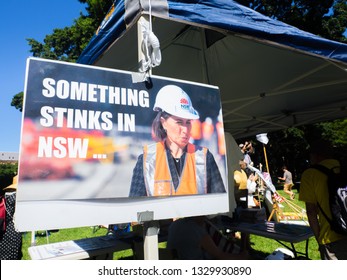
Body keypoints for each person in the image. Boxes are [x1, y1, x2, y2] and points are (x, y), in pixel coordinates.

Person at [129, 84, 226, 197]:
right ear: (163, 122)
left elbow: (220, 204)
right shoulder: (146, 161)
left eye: (188, 122)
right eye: (179, 122)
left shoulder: (205, 158)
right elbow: (134, 207)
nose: (185, 130)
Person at [299, 139, 347, 260]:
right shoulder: (343, 167)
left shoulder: (310, 174)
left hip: (331, 237)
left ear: (315, 155)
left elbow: (311, 211)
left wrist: (319, 238)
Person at [167, 216, 248, 260]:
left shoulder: (174, 225)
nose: (206, 218)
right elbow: (220, 255)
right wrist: (241, 257)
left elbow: (171, 251)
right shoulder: (198, 231)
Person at [0, 175, 23, 260]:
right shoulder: (15, 197)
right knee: (11, 255)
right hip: (11, 232)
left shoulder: (6, 195)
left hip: (3, 230)